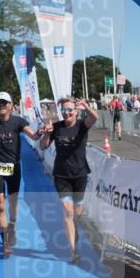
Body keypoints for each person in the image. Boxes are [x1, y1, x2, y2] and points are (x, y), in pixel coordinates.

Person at [0, 91, 42, 258]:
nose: (1, 106)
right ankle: (5, 242)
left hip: (13, 168)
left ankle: (12, 226)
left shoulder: (18, 121)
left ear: (10, 105)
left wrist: (43, 130)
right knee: (1, 205)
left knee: (13, 204)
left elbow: (34, 136)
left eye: (4, 103)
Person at [39, 97, 98, 263]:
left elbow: (95, 118)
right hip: (61, 175)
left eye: (69, 110)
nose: (66, 114)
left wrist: (86, 105)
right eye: (63, 111)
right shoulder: (56, 127)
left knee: (77, 212)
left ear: (76, 112)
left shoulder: (81, 125)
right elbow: (43, 146)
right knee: (68, 212)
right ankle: (73, 250)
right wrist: (47, 133)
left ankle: (75, 227)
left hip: (80, 174)